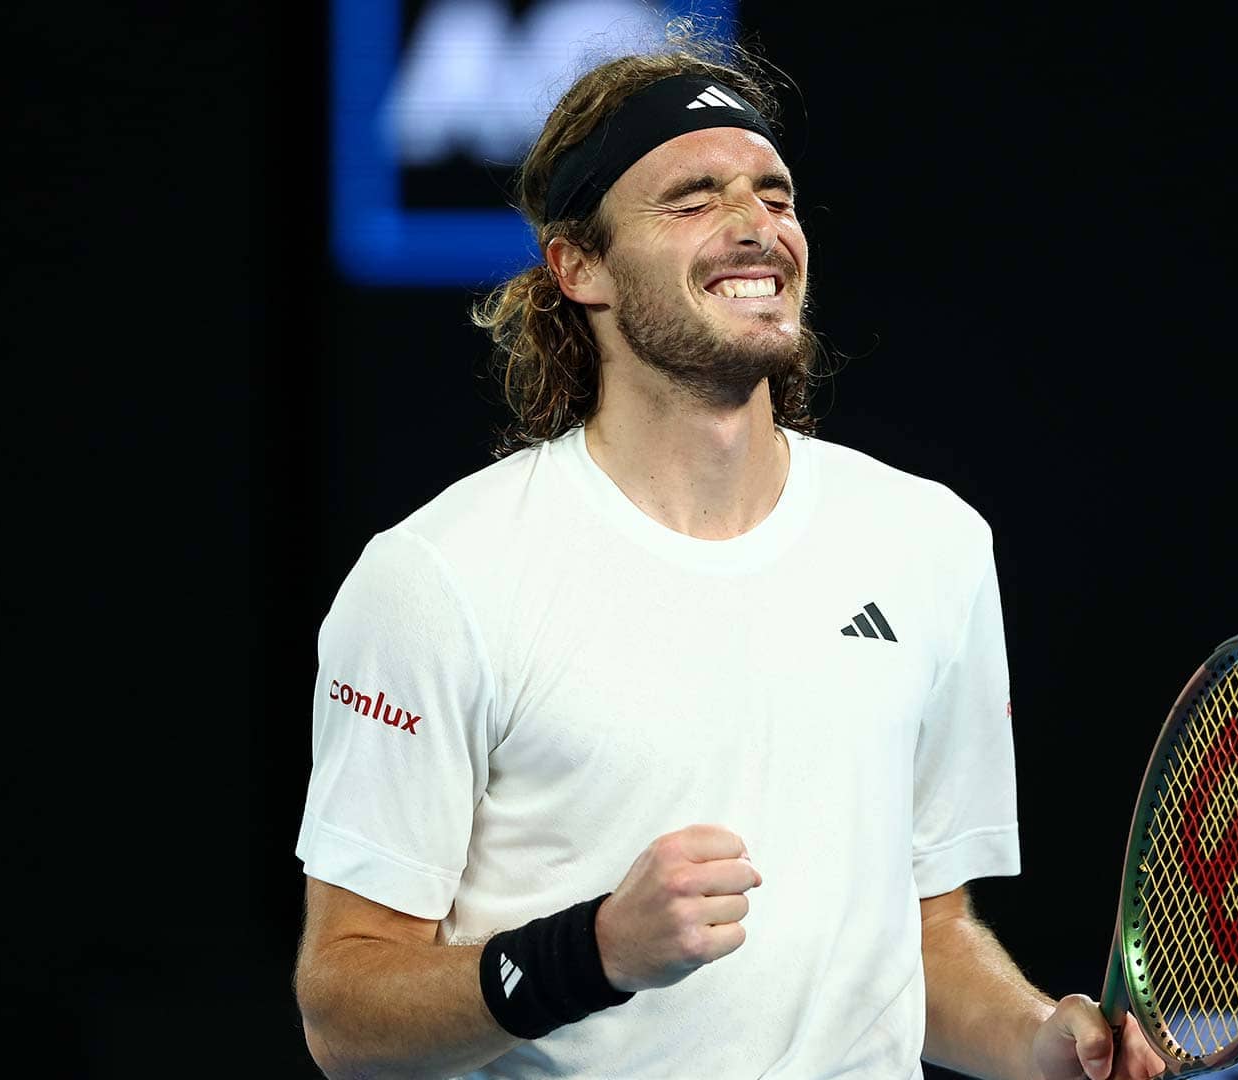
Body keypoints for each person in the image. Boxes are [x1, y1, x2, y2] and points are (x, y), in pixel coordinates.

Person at [291, 34, 1167, 1080]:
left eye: (775, 194)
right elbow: (344, 1011)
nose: (757, 228)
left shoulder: (932, 543)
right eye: (693, 199)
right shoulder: (435, 578)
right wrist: (594, 952)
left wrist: (1035, 1041)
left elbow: (920, 941)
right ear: (579, 267)